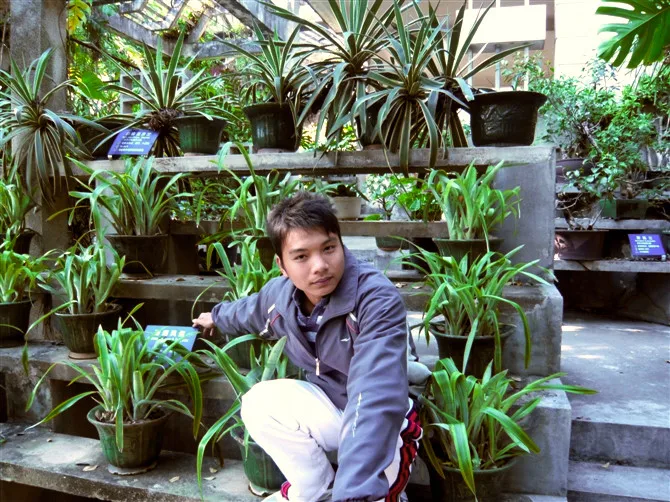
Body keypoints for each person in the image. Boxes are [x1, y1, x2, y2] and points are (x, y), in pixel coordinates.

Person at [192, 191, 422, 502]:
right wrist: (216, 317)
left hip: (386, 421)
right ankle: (315, 490)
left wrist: (353, 494)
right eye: (301, 256)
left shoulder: (375, 299)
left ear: (341, 244)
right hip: (330, 405)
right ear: (282, 265)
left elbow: (375, 394)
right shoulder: (281, 297)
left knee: (368, 493)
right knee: (259, 403)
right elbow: (249, 310)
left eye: (329, 248)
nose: (320, 266)